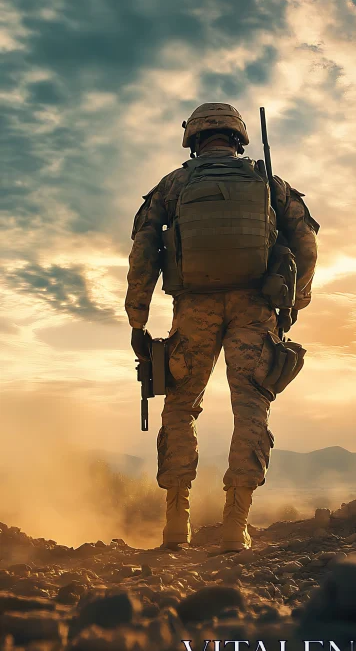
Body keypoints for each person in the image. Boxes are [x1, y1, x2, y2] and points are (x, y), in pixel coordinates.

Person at [125, 103, 318, 552]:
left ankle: (177, 520)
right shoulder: (268, 183)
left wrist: (138, 318)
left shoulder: (174, 185)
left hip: (194, 307)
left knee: (179, 405)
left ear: (193, 140)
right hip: (255, 307)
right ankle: (236, 524)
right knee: (251, 407)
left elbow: (143, 253)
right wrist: (292, 302)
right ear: (238, 139)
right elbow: (307, 246)